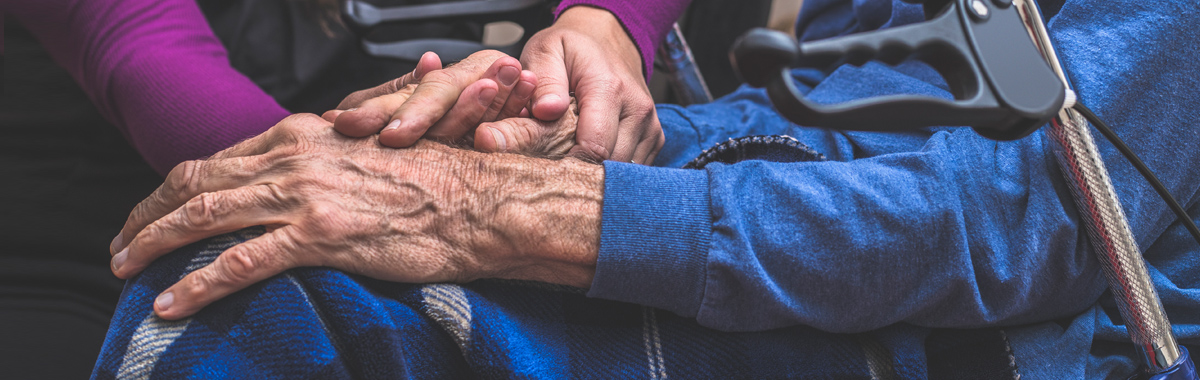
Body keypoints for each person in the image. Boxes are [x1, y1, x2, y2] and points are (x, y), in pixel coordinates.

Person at [98, 0, 1199, 378]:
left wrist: (491, 198)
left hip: (1026, 317)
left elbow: (1031, 219)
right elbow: (844, 100)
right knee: (264, 251)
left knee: (274, 293)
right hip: (821, 174)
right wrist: (440, 145)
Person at [0, 0, 685, 377]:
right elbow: (133, 34)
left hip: (478, 156)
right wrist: (397, 178)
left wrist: (608, 24)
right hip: (109, 189)